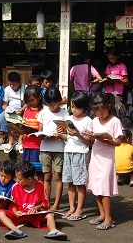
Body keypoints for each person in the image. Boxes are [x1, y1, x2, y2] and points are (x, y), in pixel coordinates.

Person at [0, 160, 67, 240]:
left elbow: (45, 203)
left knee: (50, 215)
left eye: (19, 179)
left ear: (29, 179)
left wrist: (36, 208)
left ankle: (53, 230)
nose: (17, 181)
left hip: (35, 215)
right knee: (0, 213)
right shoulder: (15, 187)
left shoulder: (40, 185)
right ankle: (15, 230)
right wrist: (16, 212)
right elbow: (13, 204)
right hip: (20, 215)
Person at [86, 94, 123, 230]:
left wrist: (107, 139)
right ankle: (101, 214)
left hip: (107, 158)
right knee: (96, 186)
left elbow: (118, 142)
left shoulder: (115, 121)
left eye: (102, 111)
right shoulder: (95, 121)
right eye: (97, 111)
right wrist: (86, 135)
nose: (100, 114)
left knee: (104, 187)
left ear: (109, 107)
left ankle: (109, 218)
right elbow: (91, 140)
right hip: (95, 155)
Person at [59, 91, 93, 221]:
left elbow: (90, 141)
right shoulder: (68, 119)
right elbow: (66, 137)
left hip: (80, 152)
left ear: (84, 107)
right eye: (72, 107)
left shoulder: (88, 121)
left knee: (80, 182)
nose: (74, 110)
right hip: (68, 151)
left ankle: (80, 209)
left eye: (77, 107)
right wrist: (61, 133)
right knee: (70, 182)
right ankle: (72, 207)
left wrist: (78, 134)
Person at [37, 87, 68, 210]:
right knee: (47, 176)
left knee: (58, 176)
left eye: (54, 103)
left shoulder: (64, 113)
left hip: (59, 148)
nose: (52, 106)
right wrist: (42, 135)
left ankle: (56, 204)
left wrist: (62, 132)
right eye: (49, 104)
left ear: (59, 101)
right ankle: (46, 202)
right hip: (45, 147)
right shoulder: (43, 112)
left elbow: (69, 131)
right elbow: (40, 131)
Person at [0, 71, 26, 152]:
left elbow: (29, 102)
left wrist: (22, 109)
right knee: (1, 117)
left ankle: (21, 139)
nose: (11, 86)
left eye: (14, 84)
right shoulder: (7, 89)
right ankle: (11, 139)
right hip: (11, 111)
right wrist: (8, 109)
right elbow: (4, 104)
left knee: (27, 117)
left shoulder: (25, 88)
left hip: (22, 110)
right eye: (10, 84)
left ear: (19, 83)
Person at [21, 85, 44, 175]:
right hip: (27, 144)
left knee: (38, 171)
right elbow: (23, 124)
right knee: (26, 172)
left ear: (39, 97)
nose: (31, 103)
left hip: (37, 145)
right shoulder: (26, 110)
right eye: (28, 101)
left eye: (32, 100)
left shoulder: (44, 110)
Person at [102, 48, 129, 114]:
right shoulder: (108, 66)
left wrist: (117, 80)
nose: (111, 60)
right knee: (108, 111)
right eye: (109, 59)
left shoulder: (122, 66)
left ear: (117, 56)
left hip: (117, 93)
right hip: (107, 92)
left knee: (116, 112)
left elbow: (126, 82)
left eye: (113, 58)